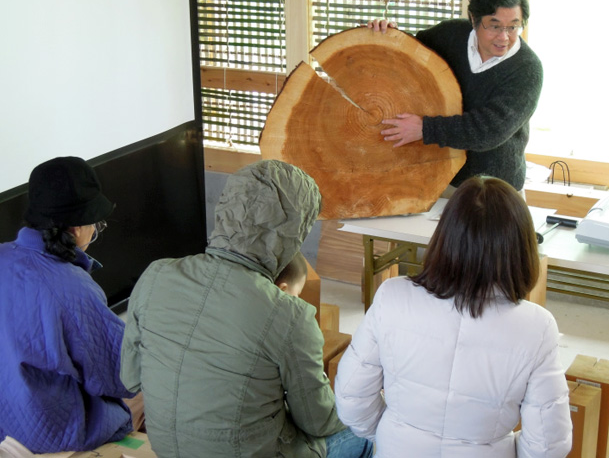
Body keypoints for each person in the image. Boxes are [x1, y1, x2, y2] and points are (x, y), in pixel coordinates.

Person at [119, 160, 373, 458]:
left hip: (168, 449)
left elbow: (131, 379)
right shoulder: (288, 315)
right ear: (295, 231)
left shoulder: (156, 275)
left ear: (225, 208)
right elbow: (319, 421)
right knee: (366, 432)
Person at [334, 176, 572, 457]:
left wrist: (394, 434)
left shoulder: (392, 297)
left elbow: (351, 397)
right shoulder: (537, 327)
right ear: (521, 248)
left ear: (445, 235)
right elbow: (548, 444)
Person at [0, 156, 140, 453]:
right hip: (45, 430)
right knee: (140, 402)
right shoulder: (71, 286)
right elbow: (121, 375)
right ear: (76, 227)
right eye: (96, 223)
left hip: (3, 423)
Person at [371, 0, 543, 192]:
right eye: (494, 26)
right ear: (473, 19)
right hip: (439, 177)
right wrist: (389, 35)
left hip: (496, 188)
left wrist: (425, 129)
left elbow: (489, 130)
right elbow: (411, 57)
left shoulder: (527, 69)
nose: (504, 37)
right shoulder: (450, 35)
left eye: (513, 27)